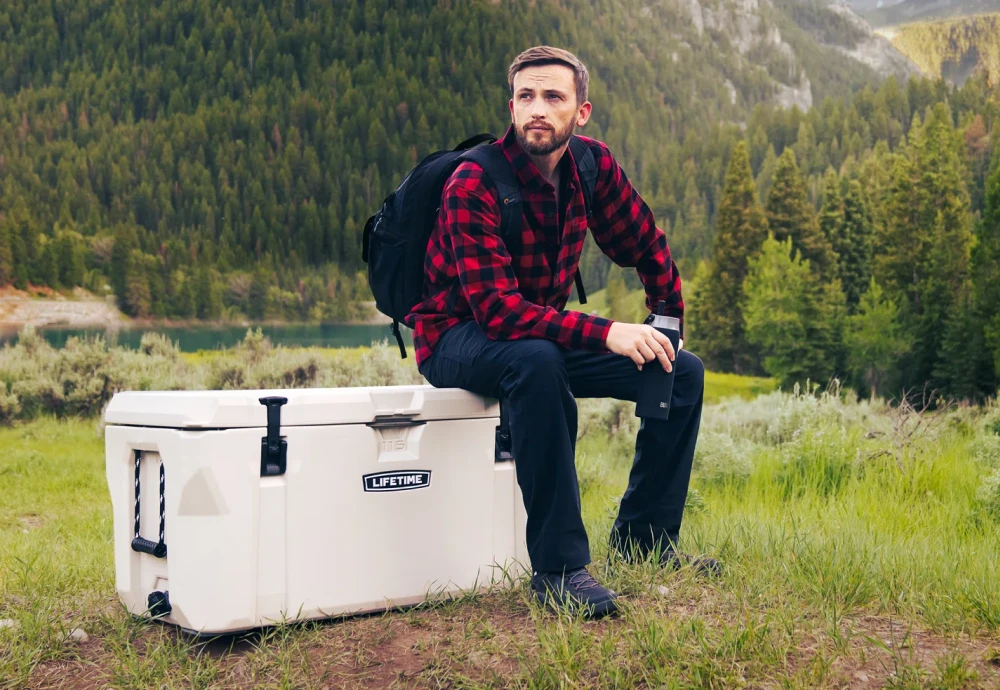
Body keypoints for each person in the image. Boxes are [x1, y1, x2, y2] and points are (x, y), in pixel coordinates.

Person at [405, 46, 718, 618]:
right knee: (538, 362)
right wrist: (607, 333)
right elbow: (497, 311)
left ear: (582, 112)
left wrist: (665, 322)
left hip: (539, 336)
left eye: (553, 97)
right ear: (512, 106)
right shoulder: (473, 181)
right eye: (526, 97)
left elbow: (645, 241)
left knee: (682, 370)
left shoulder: (591, 166)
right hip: (456, 337)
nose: (537, 110)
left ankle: (646, 540)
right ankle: (559, 570)